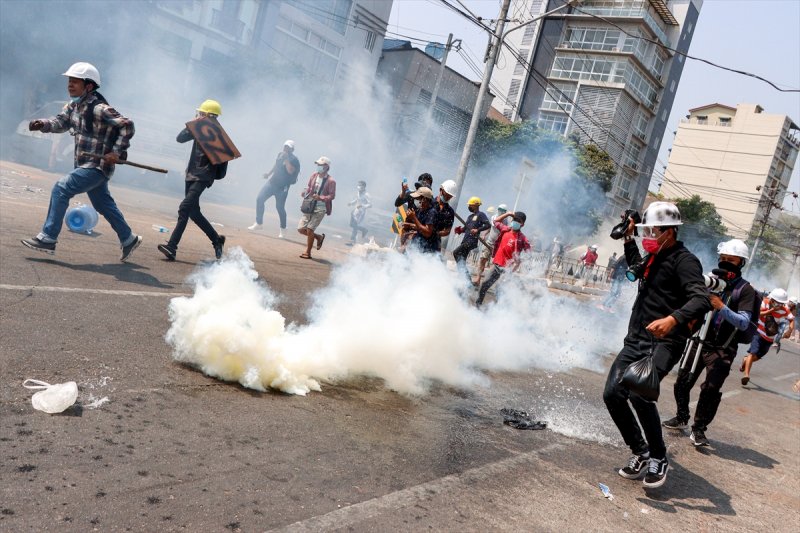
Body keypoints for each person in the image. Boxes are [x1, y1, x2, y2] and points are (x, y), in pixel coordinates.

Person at [603, 202, 710, 489]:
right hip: (636, 338)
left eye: (652, 230)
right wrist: (628, 237)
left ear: (669, 231)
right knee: (612, 394)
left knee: (640, 394)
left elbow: (702, 299)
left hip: (665, 341)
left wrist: (673, 319)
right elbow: (635, 266)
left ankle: (659, 457)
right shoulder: (654, 255)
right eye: (645, 230)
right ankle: (641, 451)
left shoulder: (684, 261)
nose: (647, 235)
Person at [21, 62, 142, 261]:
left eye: (75, 81)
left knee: (61, 188)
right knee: (102, 204)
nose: (70, 85)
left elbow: (127, 125)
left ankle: (48, 238)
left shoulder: (99, 108)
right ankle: (128, 239)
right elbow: (60, 123)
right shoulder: (73, 106)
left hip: (97, 166)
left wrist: (117, 151)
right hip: (84, 164)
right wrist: (42, 124)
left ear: (89, 86)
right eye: (69, 81)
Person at [662, 239, 757, 447]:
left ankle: (699, 430)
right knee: (682, 380)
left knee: (711, 389)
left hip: (723, 347)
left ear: (741, 262)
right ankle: (681, 416)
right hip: (699, 340)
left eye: (730, 260)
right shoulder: (709, 281)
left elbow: (743, 322)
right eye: (722, 259)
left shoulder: (746, 290)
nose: (725, 263)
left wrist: (721, 306)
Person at [157, 100, 228, 262]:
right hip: (191, 174)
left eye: (202, 113)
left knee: (184, 208)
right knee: (193, 213)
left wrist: (212, 175)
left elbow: (223, 159)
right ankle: (216, 239)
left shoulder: (218, 134)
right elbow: (180, 138)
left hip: (203, 176)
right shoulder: (198, 128)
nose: (199, 115)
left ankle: (172, 247)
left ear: (209, 115)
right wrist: (192, 125)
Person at [475, 211, 530, 307]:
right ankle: (478, 305)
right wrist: (508, 214)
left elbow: (528, 252)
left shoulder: (522, 239)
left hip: (507, 270)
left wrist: (517, 264)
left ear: (522, 224)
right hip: (496, 265)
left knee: (500, 290)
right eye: (514, 219)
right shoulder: (505, 229)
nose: (515, 222)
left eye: (518, 221)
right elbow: (495, 221)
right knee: (484, 285)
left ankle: (498, 312)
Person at [740, 288, 794, 385]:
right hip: (758, 333)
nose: (780, 305)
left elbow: (791, 319)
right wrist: (771, 310)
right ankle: (746, 375)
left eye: (782, 303)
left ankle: (745, 360)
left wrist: (790, 330)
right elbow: (758, 314)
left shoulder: (784, 310)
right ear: (772, 300)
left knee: (757, 356)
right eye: (778, 303)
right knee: (753, 352)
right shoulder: (764, 303)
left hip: (769, 338)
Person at [248, 140, 300, 238]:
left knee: (279, 208)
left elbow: (290, 171)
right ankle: (259, 223)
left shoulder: (294, 160)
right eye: (285, 146)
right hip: (272, 183)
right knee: (260, 199)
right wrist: (268, 173)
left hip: (282, 188)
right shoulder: (280, 154)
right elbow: (276, 165)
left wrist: (286, 160)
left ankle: (283, 229)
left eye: (288, 147)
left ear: (292, 149)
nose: (285, 148)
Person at [298, 156, 335, 259]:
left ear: (326, 167)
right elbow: (310, 188)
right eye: (318, 164)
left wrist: (321, 197)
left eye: (320, 165)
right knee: (301, 229)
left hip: (320, 208)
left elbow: (332, 196)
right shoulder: (314, 175)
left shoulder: (331, 181)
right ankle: (318, 237)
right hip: (310, 205)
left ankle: (308, 252)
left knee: (310, 229)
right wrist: (305, 192)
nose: (318, 166)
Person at [452, 196, 491, 281]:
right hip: (465, 241)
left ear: (476, 205)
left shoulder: (481, 215)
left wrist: (478, 230)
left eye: (470, 205)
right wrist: (460, 230)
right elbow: (466, 228)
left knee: (455, 253)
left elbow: (488, 225)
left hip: (471, 241)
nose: (469, 206)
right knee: (461, 259)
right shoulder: (470, 217)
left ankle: (466, 278)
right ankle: (464, 280)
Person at [474, 203, 508, 287]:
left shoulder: (506, 221)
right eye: (499, 210)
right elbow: (491, 226)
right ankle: (478, 279)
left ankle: (486, 281)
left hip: (498, 246)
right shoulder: (494, 217)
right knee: (482, 259)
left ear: (505, 212)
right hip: (489, 242)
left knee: (494, 264)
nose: (501, 212)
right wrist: (484, 234)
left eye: (503, 211)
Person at [402, 187, 439, 253]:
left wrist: (414, 218)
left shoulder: (432, 212)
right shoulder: (421, 210)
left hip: (426, 250)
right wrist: (409, 225)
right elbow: (420, 226)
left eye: (418, 198)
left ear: (424, 199)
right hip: (417, 246)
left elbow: (427, 232)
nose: (416, 200)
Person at [346, 180, 372, 245]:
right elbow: (356, 199)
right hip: (355, 211)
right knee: (351, 224)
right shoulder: (358, 192)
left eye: (360, 185)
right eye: (358, 185)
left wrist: (362, 205)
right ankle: (364, 230)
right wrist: (351, 203)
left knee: (355, 226)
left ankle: (352, 241)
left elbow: (370, 205)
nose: (359, 187)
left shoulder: (367, 195)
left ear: (364, 187)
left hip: (361, 212)